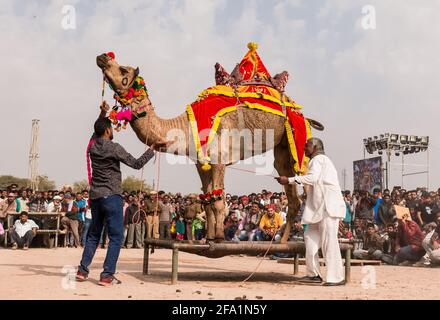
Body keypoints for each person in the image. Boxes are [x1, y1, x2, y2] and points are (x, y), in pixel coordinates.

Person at [76, 102, 167, 286]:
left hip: (95, 197)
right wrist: (153, 148)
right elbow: (136, 163)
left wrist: (102, 113)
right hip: (112, 196)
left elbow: (97, 129)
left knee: (94, 235)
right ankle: (107, 275)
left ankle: (82, 271)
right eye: (110, 127)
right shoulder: (114, 147)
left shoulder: (93, 146)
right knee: (117, 236)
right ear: (108, 130)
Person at [276, 138, 346, 286]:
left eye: (307, 145)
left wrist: (288, 180)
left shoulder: (318, 159)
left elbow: (312, 178)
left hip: (327, 206)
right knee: (309, 237)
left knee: (329, 241)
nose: (304, 148)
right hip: (318, 208)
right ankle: (313, 274)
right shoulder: (319, 160)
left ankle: (336, 277)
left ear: (315, 147)